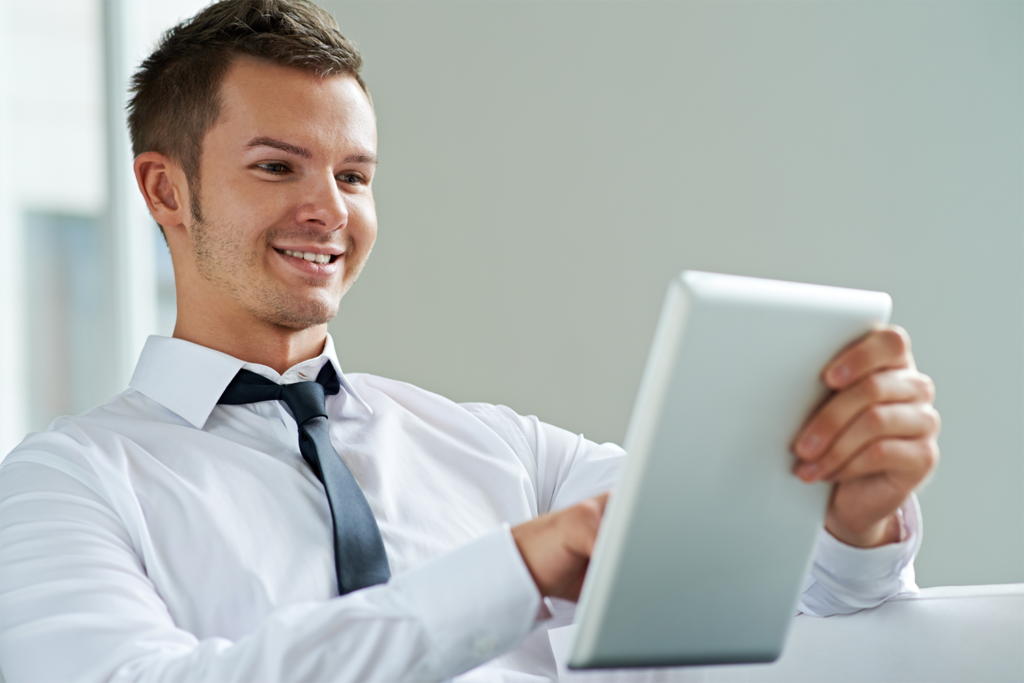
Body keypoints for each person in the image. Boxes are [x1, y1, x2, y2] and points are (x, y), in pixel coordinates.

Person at [0, 1, 940, 681]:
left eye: (356, 174)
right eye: (278, 166)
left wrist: (846, 521)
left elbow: (783, 605)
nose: (329, 210)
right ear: (166, 191)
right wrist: (509, 573)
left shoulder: (508, 452)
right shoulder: (66, 482)